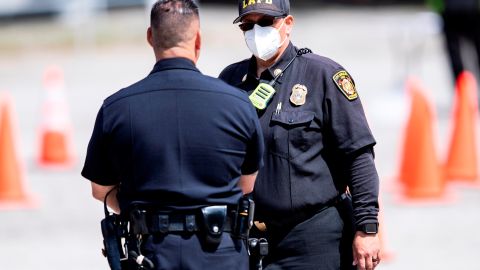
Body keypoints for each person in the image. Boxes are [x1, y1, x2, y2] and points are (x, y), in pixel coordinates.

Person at [81, 1, 264, 269]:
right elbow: (245, 185)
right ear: (198, 40)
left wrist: (144, 211)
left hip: (152, 254)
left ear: (150, 37)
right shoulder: (237, 104)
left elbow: (101, 190)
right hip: (221, 253)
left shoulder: (117, 108)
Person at [219, 1, 381, 269]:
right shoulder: (230, 81)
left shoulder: (323, 75)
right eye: (248, 25)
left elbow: (358, 155)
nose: (256, 32)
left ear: (288, 24)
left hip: (313, 239)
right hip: (247, 238)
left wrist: (367, 229)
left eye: (265, 23)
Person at [427, 0, 480, 80]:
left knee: (455, 54)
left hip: (454, 10)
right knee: (456, 53)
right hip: (466, 9)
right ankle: (462, 85)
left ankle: (461, 84)